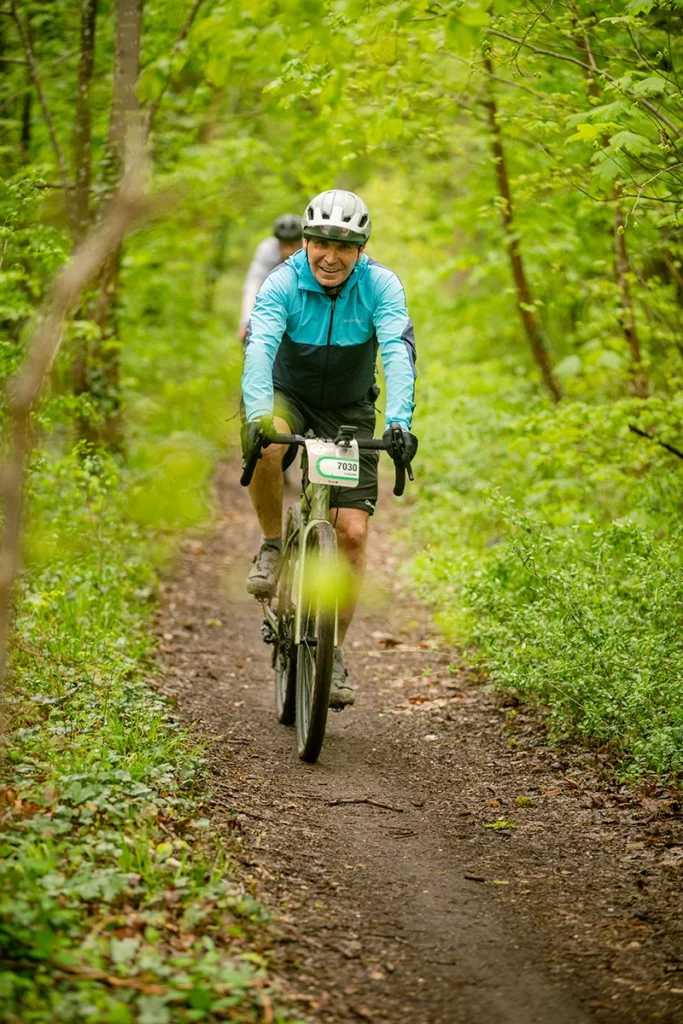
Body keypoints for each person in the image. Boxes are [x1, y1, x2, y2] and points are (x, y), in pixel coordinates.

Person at [240, 189, 418, 709]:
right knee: (269, 447)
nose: (330, 256)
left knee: (353, 535)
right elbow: (259, 348)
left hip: (348, 408)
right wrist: (257, 416)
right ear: (306, 241)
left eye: (344, 246)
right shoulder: (282, 283)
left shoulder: (381, 286)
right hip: (286, 395)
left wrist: (401, 421)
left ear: (361, 249)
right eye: (320, 242)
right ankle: (273, 544)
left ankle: (333, 651)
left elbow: (399, 353)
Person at [238, 214, 302, 342]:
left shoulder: (311, 252)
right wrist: (246, 321)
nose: (289, 251)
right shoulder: (267, 250)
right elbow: (254, 285)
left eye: (293, 245)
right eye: (284, 245)